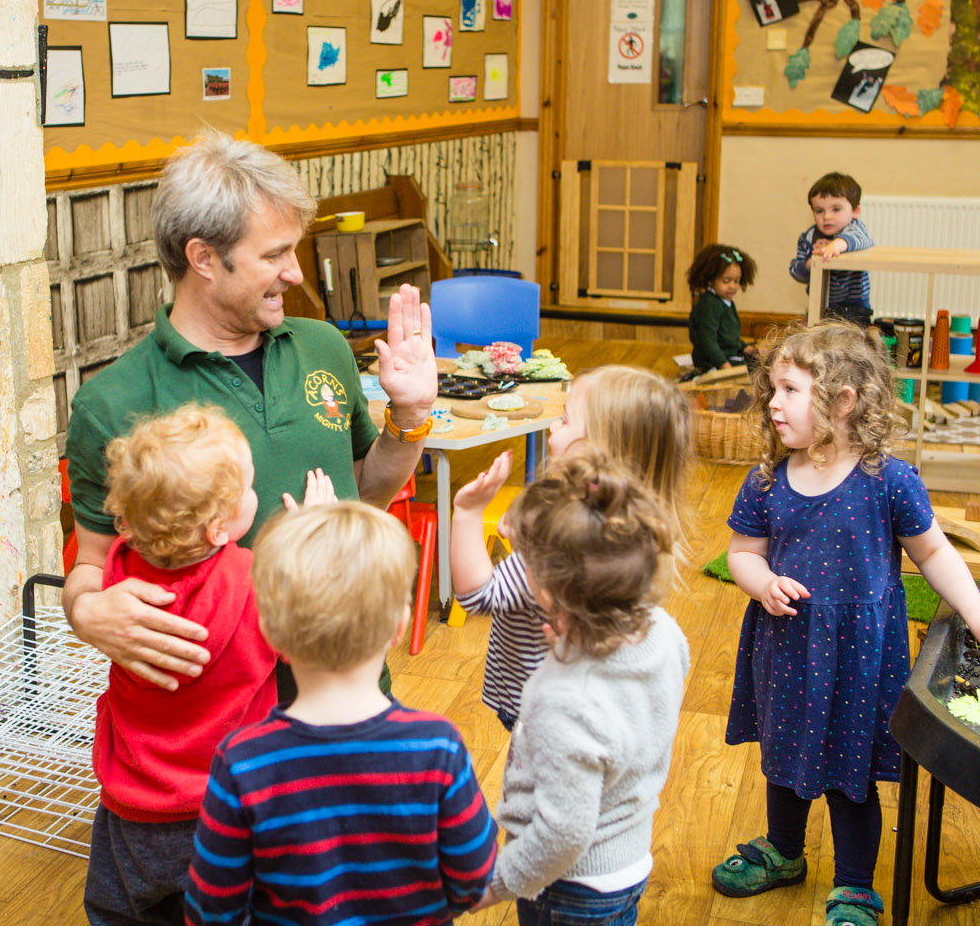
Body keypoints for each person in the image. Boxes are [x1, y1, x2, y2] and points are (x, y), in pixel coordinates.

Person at [62, 130, 437, 694]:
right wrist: (86, 610)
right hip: (209, 726)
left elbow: (364, 493)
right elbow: (90, 564)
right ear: (204, 258)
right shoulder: (112, 403)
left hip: (346, 691)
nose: (296, 273)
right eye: (274, 255)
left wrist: (410, 414)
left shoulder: (324, 348)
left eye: (292, 249)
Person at [711, 322, 980, 926]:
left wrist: (976, 611)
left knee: (851, 775)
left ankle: (853, 886)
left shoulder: (888, 480)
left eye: (790, 390)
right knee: (784, 755)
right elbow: (743, 553)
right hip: (788, 646)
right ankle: (784, 851)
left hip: (860, 658)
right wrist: (763, 583)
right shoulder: (767, 479)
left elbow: (932, 553)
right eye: (774, 388)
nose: (772, 402)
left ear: (844, 402)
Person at [185, 501, 498, 926]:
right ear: (399, 626)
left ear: (271, 632)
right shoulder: (437, 747)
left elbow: (212, 911)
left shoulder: (242, 761)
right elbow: (474, 881)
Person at [84, 403, 335, 926]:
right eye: (248, 488)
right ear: (221, 529)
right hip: (229, 805)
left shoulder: (120, 578)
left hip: (131, 807)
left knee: (122, 911)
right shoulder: (256, 581)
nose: (255, 492)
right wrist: (308, 537)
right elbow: (311, 635)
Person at [471, 450, 689, 926]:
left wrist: (493, 886)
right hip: (628, 858)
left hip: (569, 888)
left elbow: (563, 834)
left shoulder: (561, 696)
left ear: (550, 590)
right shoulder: (665, 631)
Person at [449, 365, 691, 732]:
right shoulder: (641, 528)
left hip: (534, 702)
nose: (551, 427)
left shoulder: (562, 530)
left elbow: (478, 595)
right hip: (596, 700)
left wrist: (467, 513)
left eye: (563, 420)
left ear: (598, 448)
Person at [790, 172, 874, 328]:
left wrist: (836, 245)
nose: (827, 216)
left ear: (855, 211)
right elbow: (795, 270)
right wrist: (810, 263)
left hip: (853, 307)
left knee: (852, 345)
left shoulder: (855, 228)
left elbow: (861, 240)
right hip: (820, 305)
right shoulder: (809, 236)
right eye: (819, 211)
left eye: (836, 209)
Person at [686, 243, 760, 374]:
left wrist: (745, 348)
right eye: (726, 281)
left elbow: (728, 338)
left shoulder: (725, 301)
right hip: (711, 361)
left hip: (728, 355)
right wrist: (723, 364)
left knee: (762, 363)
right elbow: (707, 341)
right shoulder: (709, 305)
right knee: (756, 373)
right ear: (710, 279)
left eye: (736, 281)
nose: (732, 286)